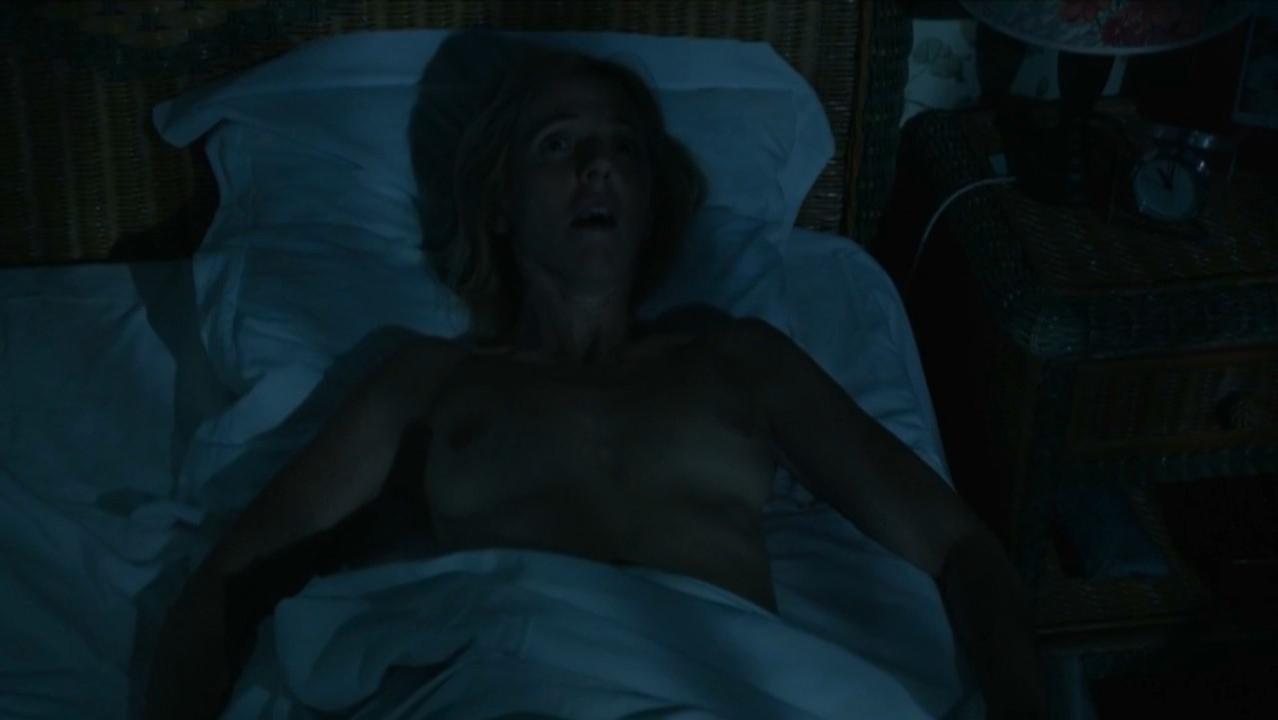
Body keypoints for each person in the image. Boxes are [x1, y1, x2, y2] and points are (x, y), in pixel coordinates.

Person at [144, 35, 1046, 720]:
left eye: (623, 148)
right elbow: (228, 581)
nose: (598, 166)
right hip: (518, 682)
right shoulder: (428, 381)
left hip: (717, 686)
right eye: (558, 144)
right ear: (501, 202)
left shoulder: (741, 362)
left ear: (651, 200)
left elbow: (960, 549)